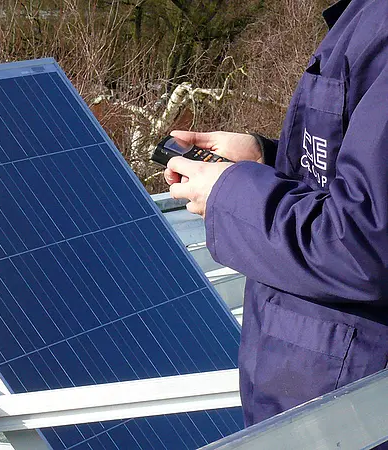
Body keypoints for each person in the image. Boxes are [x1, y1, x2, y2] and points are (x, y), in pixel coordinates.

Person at [164, 0, 388, 436]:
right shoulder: (363, 16)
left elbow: (363, 242)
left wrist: (227, 192)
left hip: (353, 411)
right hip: (320, 397)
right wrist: (267, 160)